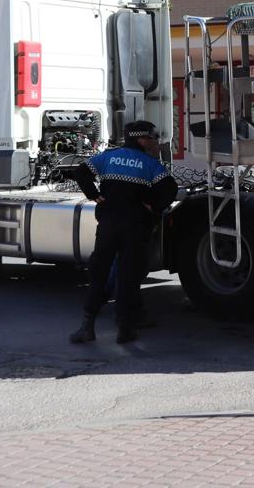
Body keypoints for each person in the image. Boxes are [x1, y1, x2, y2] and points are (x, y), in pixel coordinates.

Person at [69, 120, 177, 344]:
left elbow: (81, 172)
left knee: (98, 274)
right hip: (135, 227)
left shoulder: (107, 157)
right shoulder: (150, 165)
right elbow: (170, 189)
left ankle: (87, 327)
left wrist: (95, 195)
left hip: (108, 225)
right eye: (155, 138)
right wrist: (154, 207)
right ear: (142, 139)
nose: (158, 142)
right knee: (128, 277)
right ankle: (125, 330)